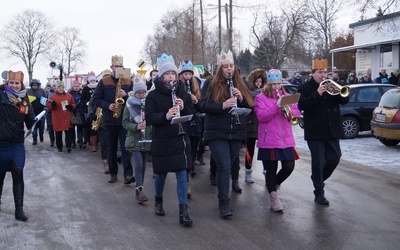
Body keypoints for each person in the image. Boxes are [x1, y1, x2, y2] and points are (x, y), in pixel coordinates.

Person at [200, 50, 254, 218]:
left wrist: (241, 99)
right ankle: (224, 202)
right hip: (217, 131)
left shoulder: (240, 83)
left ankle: (224, 196)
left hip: (235, 131)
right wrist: (222, 106)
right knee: (223, 165)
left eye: (231, 66)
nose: (229, 69)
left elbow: (250, 107)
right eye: (225, 67)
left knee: (229, 166)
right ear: (220, 68)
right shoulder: (210, 84)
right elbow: (202, 106)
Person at [145, 53, 195, 226]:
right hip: (163, 140)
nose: (171, 76)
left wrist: (184, 107)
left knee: (182, 175)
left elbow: (192, 114)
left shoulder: (182, 91)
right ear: (161, 76)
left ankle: (183, 211)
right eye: (167, 74)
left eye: (173, 73)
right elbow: (150, 118)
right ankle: (158, 201)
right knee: (160, 175)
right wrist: (166, 116)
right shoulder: (152, 95)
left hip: (180, 139)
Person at [297, 59, 349, 206]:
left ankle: (318, 179)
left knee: (335, 158)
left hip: (332, 130)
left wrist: (339, 90)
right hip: (315, 131)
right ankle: (319, 193)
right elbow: (302, 105)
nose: (323, 75)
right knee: (318, 163)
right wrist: (317, 93)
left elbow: (344, 100)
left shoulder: (331, 85)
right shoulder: (305, 88)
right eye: (320, 72)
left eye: (325, 72)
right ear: (312, 73)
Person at [254, 69, 300, 212]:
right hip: (269, 139)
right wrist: (276, 105)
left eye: (279, 84)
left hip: (285, 139)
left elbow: (296, 113)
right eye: (273, 84)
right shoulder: (260, 98)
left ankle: (275, 185)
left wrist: (291, 111)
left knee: (289, 166)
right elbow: (261, 116)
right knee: (271, 170)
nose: (276, 87)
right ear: (268, 84)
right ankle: (273, 197)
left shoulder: (287, 96)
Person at [92, 55, 134, 184]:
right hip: (109, 120)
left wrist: (126, 95)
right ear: (111, 67)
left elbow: (136, 99)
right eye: (116, 66)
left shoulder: (128, 80)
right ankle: (113, 174)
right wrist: (107, 105)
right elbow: (96, 98)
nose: (119, 68)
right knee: (111, 148)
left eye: (121, 66)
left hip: (124, 120)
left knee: (126, 148)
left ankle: (128, 175)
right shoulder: (104, 81)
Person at [0, 70, 35, 221]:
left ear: (21, 84)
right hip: (1, 143)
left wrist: (35, 121)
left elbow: (29, 120)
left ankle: (19, 210)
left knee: (18, 172)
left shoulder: (25, 100)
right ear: (7, 83)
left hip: (16, 143)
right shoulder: (1, 96)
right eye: (11, 83)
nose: (14, 86)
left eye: (17, 83)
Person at [122, 79, 151, 204]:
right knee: (138, 165)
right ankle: (139, 190)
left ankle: (139, 188)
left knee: (143, 167)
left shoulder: (149, 104)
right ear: (134, 93)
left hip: (146, 138)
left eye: (143, 92)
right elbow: (124, 123)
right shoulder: (129, 104)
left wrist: (148, 118)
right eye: (138, 93)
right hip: (134, 139)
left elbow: (154, 119)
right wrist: (135, 126)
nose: (141, 95)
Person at [244, 68, 265, 184]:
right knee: (249, 150)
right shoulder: (248, 93)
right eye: (257, 82)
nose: (259, 84)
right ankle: (248, 171)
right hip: (250, 124)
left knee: (265, 150)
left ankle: (267, 171)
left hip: (262, 126)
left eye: (261, 82)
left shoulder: (264, 92)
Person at [46, 81, 76, 153]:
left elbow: (73, 104)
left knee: (68, 132)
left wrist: (71, 106)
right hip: (57, 117)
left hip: (67, 117)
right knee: (58, 133)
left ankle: (68, 146)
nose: (61, 88)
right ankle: (59, 147)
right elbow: (48, 106)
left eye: (62, 87)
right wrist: (52, 105)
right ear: (56, 88)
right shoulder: (53, 96)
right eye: (59, 87)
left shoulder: (69, 96)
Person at [81, 72, 98, 151]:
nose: (93, 82)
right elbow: (82, 98)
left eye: (94, 80)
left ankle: (99, 142)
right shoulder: (86, 88)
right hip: (89, 109)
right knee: (91, 126)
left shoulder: (99, 87)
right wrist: (86, 103)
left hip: (99, 109)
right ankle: (92, 143)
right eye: (91, 81)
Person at [27, 79, 46, 145]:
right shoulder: (28, 91)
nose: (34, 86)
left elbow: (45, 100)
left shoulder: (42, 91)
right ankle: (34, 138)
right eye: (33, 85)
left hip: (41, 111)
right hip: (32, 111)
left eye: (36, 85)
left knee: (42, 125)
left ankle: (41, 134)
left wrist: (45, 108)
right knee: (33, 125)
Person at [69, 80, 86, 149]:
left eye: (77, 86)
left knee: (80, 129)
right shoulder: (69, 94)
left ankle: (80, 142)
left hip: (80, 112)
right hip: (72, 112)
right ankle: (73, 143)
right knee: (72, 129)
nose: (76, 87)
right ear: (72, 87)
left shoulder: (82, 94)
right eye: (75, 86)